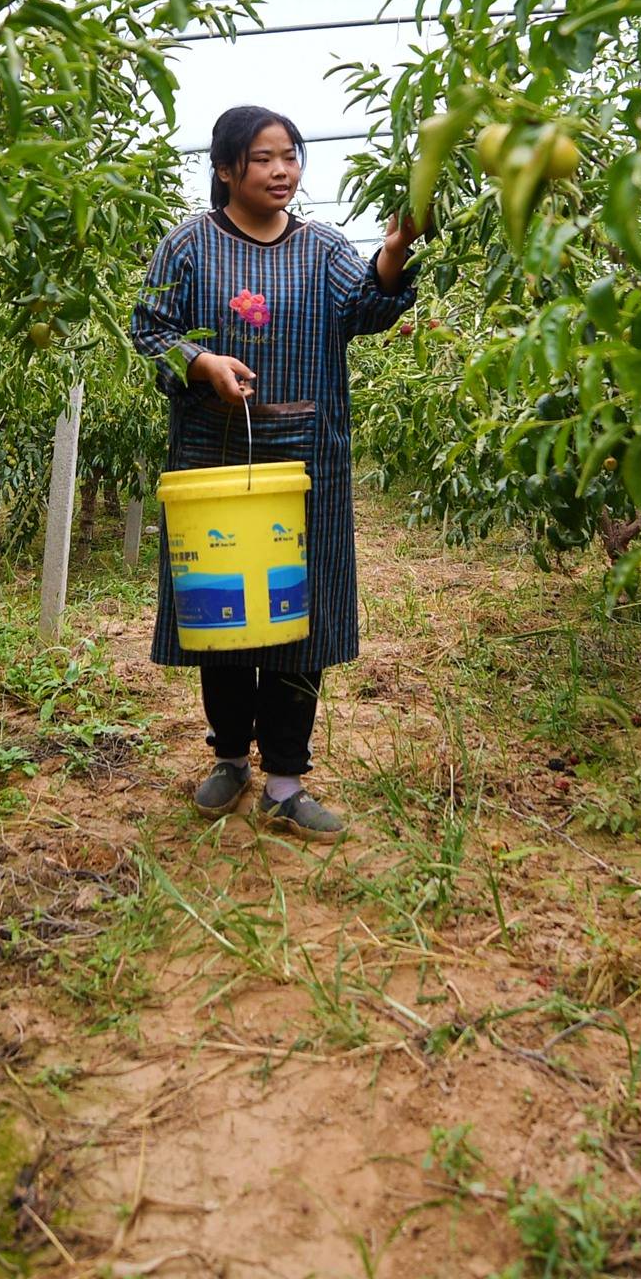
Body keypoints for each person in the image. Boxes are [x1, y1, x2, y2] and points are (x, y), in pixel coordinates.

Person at [129, 106, 420, 838]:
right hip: (214, 459)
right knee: (225, 609)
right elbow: (150, 330)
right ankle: (229, 758)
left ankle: (286, 780)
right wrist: (202, 362)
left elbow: (367, 307)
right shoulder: (189, 244)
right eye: (263, 159)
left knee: (299, 617)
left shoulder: (320, 247)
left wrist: (395, 249)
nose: (282, 170)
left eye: (290, 156)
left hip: (306, 461)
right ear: (226, 168)